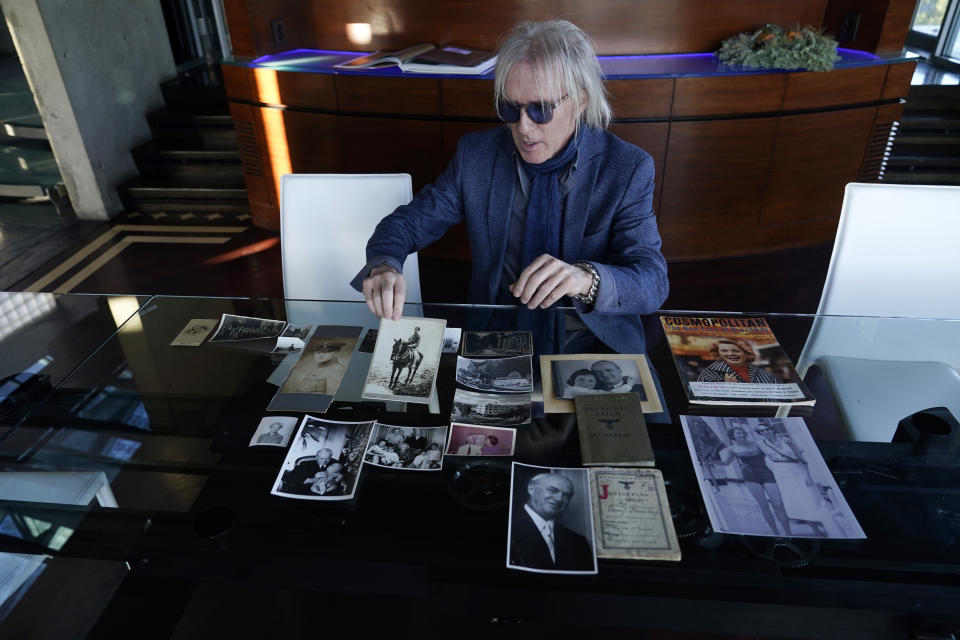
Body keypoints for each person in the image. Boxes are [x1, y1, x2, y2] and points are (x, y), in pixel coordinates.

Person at [351, 19, 668, 355]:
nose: (524, 128)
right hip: (493, 336)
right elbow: (406, 224)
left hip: (590, 343)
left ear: (581, 100)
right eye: (510, 108)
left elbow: (652, 280)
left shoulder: (627, 168)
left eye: (541, 109)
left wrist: (585, 280)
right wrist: (385, 265)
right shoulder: (476, 156)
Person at [510, 472, 594, 571]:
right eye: (552, 490)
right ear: (531, 489)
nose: (559, 499)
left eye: (566, 495)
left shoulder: (579, 542)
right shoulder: (509, 526)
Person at [717, 426, 792, 536]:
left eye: (743, 432)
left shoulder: (758, 443)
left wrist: (786, 443)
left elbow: (773, 449)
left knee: (778, 505)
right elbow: (726, 463)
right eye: (738, 433)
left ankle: (789, 533)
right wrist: (710, 461)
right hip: (750, 477)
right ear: (733, 436)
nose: (742, 434)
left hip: (766, 473)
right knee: (764, 505)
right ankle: (775, 533)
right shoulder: (732, 449)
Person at [697, 339, 777, 384]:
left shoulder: (764, 374)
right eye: (724, 351)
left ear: (746, 353)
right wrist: (727, 388)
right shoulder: (708, 374)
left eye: (736, 350)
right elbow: (702, 400)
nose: (730, 354)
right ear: (719, 353)